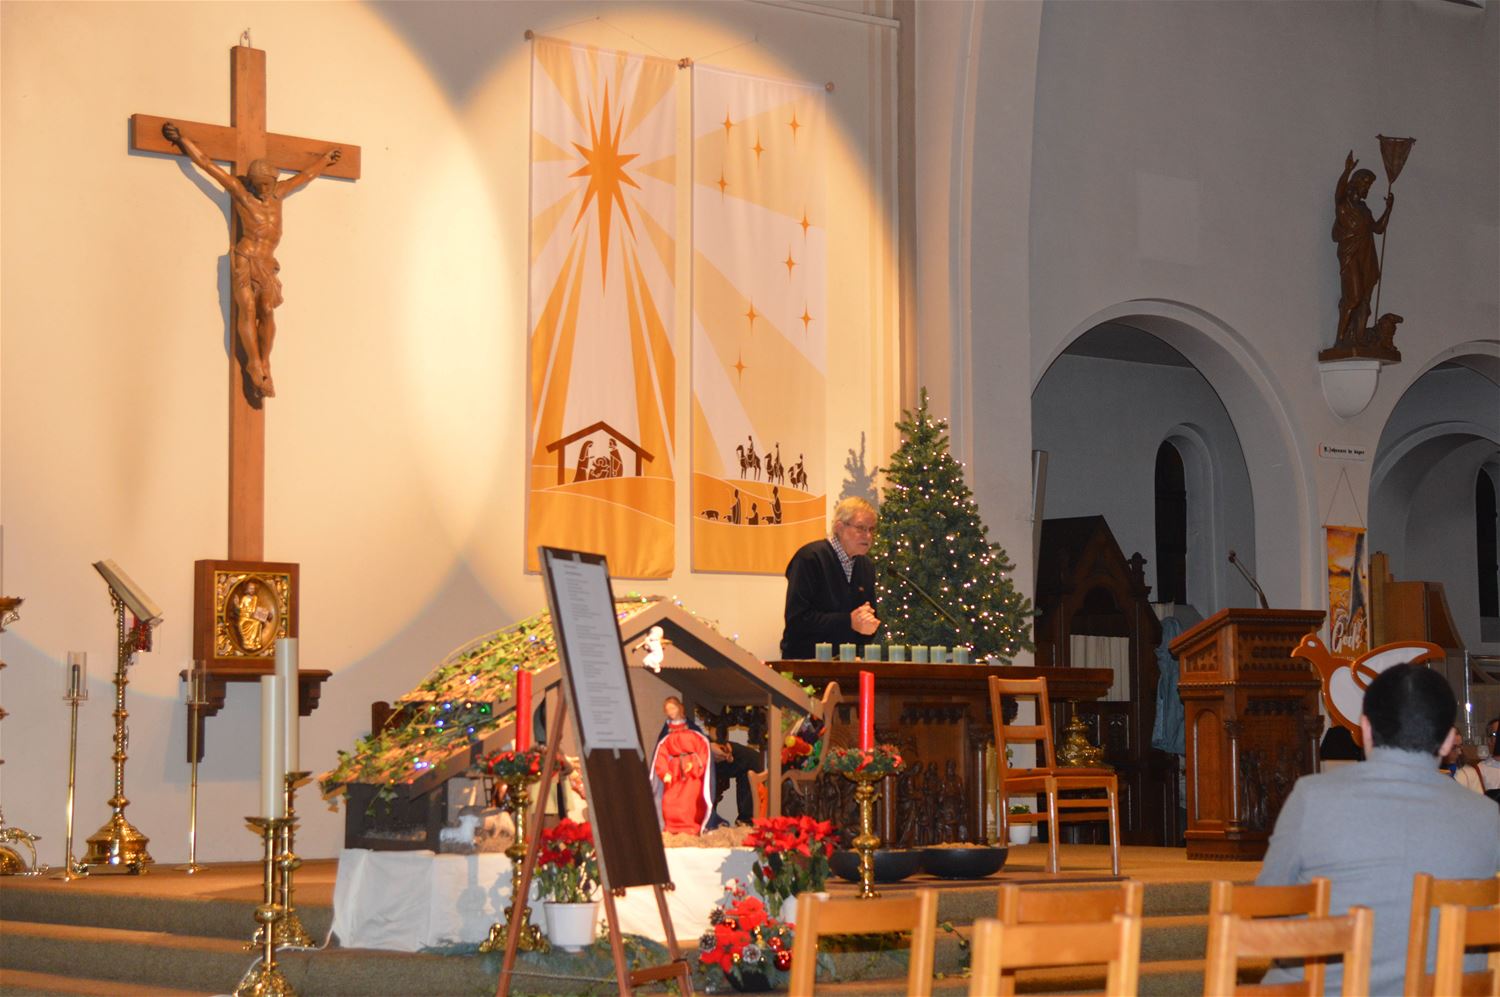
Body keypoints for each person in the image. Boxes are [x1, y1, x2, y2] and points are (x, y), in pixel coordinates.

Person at [1256, 664, 1500, 995]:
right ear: (1447, 741)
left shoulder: (1312, 797)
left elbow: (1268, 911)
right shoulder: (1487, 816)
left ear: (1365, 729)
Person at [161, 122, 342, 399]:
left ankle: (265, 360)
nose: (263, 190)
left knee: (267, 310)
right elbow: (207, 164)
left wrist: (325, 160)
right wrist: (183, 141)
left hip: (267, 264)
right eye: (258, 185)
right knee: (246, 308)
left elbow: (306, 175)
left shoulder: (279, 193)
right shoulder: (243, 195)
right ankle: (253, 363)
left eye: (267, 184)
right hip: (246, 258)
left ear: (274, 181)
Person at [780, 497, 880, 659]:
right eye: (861, 528)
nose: (868, 535)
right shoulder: (809, 558)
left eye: (871, 529)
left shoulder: (866, 566)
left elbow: (866, 623)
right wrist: (849, 621)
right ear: (839, 527)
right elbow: (797, 620)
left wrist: (869, 624)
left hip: (846, 663)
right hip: (806, 662)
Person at [1331, 150, 1394, 349]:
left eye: (1369, 185)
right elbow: (1338, 195)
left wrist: (1389, 209)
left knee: (1365, 300)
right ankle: (1340, 339)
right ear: (1356, 183)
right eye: (1366, 184)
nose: (1367, 188)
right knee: (1354, 297)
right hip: (1351, 257)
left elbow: (1378, 229)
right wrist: (1347, 171)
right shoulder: (1345, 207)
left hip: (1367, 258)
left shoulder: (1364, 210)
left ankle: (1357, 337)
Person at [649, 697, 713, 835]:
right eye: (668, 710)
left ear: (680, 708)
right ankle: (672, 828)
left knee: (689, 801)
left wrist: (694, 764)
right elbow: (661, 755)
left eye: (673, 708)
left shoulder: (694, 733)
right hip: (674, 773)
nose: (671, 712)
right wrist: (664, 772)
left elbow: (702, 752)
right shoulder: (667, 736)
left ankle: (690, 828)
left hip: (691, 774)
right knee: (670, 801)